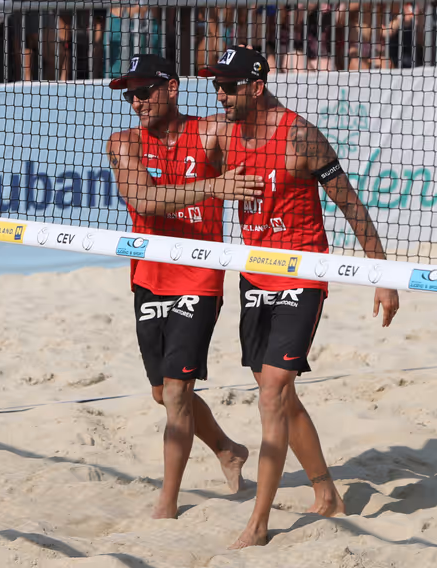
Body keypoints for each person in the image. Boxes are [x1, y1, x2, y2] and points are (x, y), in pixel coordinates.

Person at [196, 46, 400, 548]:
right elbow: (177, 146)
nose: (220, 94)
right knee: (281, 396)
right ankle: (326, 492)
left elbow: (351, 205)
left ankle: (259, 523)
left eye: (228, 86)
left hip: (302, 275)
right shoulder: (223, 132)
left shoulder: (300, 136)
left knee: (272, 395)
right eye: (216, 85)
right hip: (254, 276)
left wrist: (383, 275)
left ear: (256, 86)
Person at [106, 54, 263, 519]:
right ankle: (228, 449)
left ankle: (167, 503)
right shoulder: (123, 142)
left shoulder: (211, 132)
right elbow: (143, 200)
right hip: (149, 276)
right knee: (164, 393)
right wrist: (213, 187)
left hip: (199, 275)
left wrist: (249, 74)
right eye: (130, 95)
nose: (136, 102)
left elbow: (262, 129)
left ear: (171, 87)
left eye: (144, 91)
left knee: (177, 392)